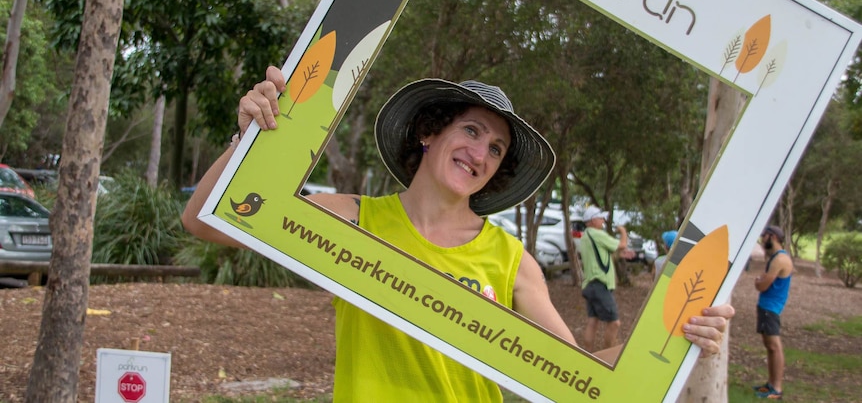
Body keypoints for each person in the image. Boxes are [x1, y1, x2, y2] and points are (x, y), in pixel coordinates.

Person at [183, 66, 735, 401]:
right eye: (471, 130)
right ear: (429, 132)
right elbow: (204, 219)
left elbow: (578, 381)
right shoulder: (354, 219)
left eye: (496, 148)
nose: (481, 153)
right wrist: (251, 136)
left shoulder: (511, 258)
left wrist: (673, 336)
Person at [577, 206, 634, 352]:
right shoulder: (597, 234)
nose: (603, 221)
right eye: (601, 218)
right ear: (593, 220)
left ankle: (589, 355)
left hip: (589, 284)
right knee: (614, 323)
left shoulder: (586, 237)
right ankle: (606, 356)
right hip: (599, 285)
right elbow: (622, 244)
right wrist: (623, 231)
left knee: (593, 321)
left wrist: (620, 255)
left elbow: (599, 257)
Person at [752, 225, 793, 400]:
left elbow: (762, 284)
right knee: (770, 347)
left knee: (774, 347)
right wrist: (760, 279)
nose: (762, 239)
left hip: (771, 308)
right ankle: (770, 384)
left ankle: (776, 388)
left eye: (764, 236)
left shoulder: (780, 260)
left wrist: (758, 281)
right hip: (767, 307)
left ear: (773, 237)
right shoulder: (776, 258)